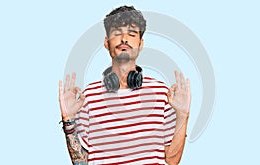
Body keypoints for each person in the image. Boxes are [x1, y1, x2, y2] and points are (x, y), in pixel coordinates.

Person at [59, 5, 191, 165]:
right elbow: (81, 163)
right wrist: (69, 119)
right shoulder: (88, 97)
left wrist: (183, 115)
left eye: (131, 33)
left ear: (141, 43)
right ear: (106, 43)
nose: (124, 39)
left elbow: (172, 160)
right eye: (117, 33)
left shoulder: (162, 93)